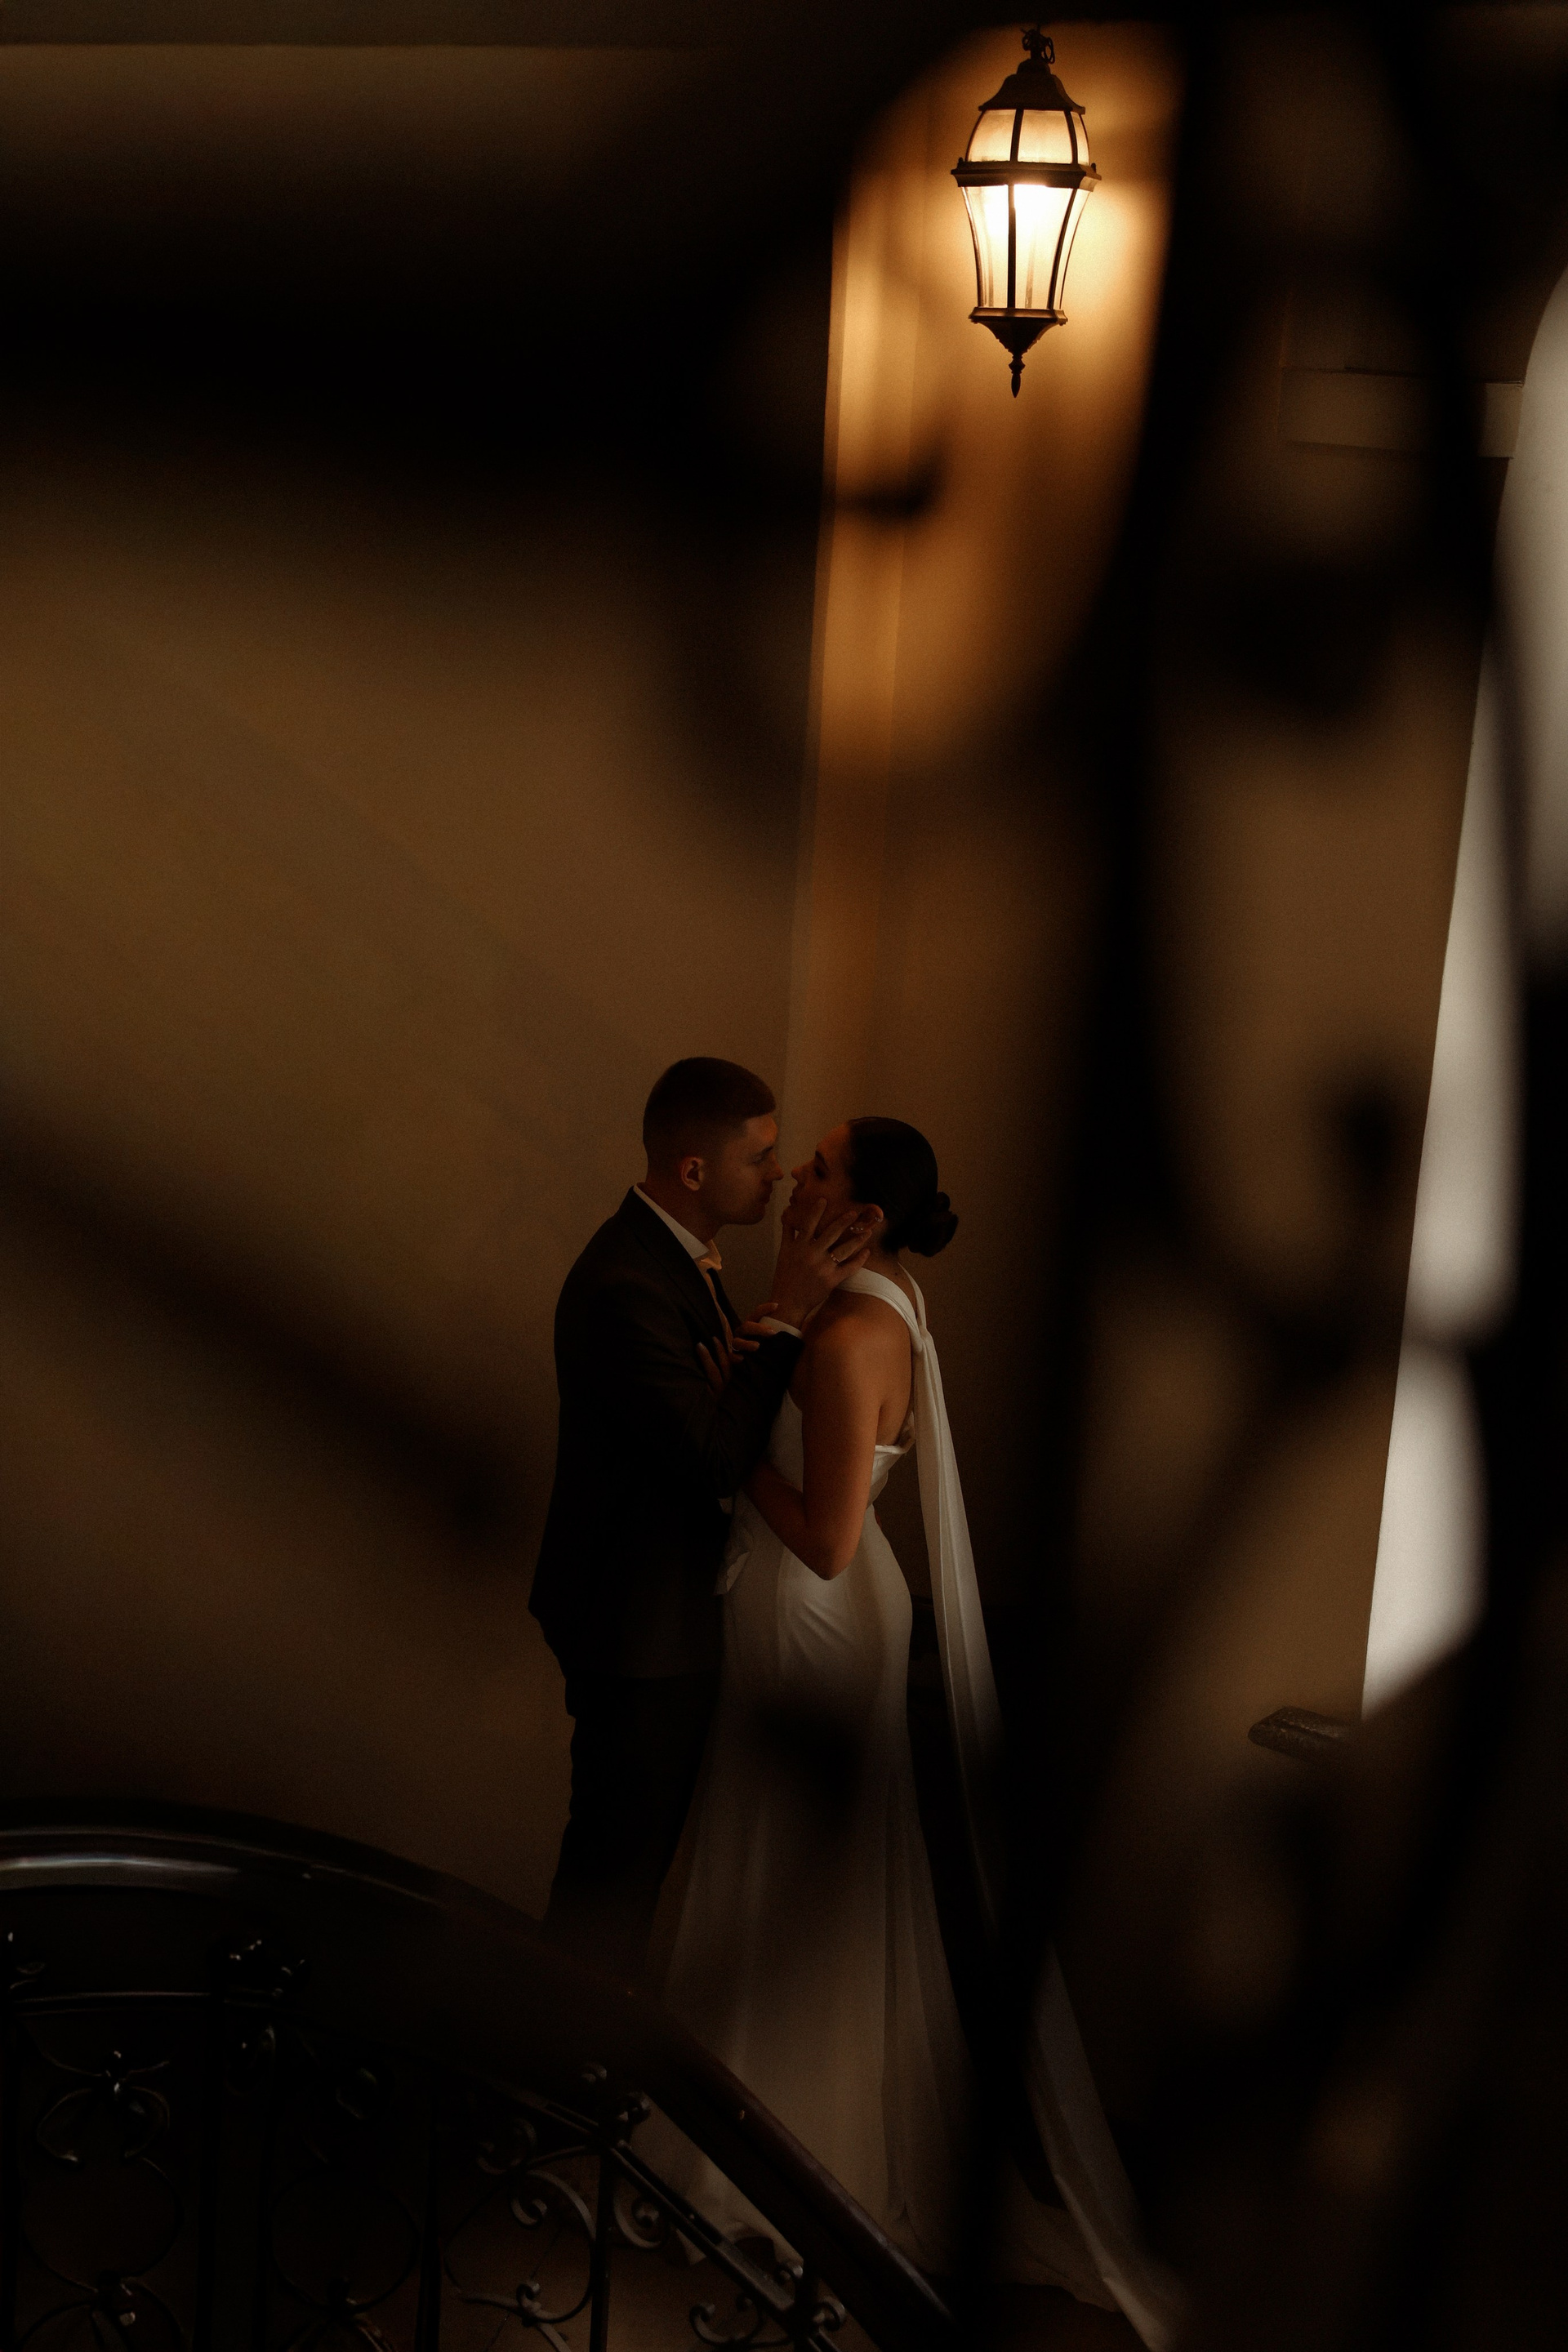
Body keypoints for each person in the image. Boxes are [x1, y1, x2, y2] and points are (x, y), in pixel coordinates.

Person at [653, 1116, 1182, 2346]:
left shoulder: (852, 1336)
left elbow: (829, 1539)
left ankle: (784, 2163)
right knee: (775, 1862)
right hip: (819, 1618)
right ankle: (744, 2125)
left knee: (790, 1874)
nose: (795, 1176)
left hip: (819, 1622)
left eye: (818, 1166)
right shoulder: (867, 1299)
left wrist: (732, 1450)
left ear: (865, 1215)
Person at [530, 1058, 879, 1978]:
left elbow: (717, 1418)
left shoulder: (677, 1261)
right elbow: (716, 1459)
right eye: (760, 1156)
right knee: (608, 1893)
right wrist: (790, 1314)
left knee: (622, 1884)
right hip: (638, 1634)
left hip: (663, 1622)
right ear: (694, 1171)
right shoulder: (626, 1285)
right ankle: (546, 2054)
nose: (778, 1173)